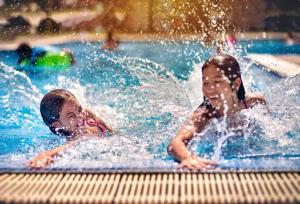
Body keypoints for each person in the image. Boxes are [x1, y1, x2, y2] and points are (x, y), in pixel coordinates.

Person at [167, 54, 266, 171]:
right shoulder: (204, 114)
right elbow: (175, 143)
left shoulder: (255, 102)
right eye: (205, 83)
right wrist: (188, 157)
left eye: (217, 82)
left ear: (236, 84)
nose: (209, 89)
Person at [28, 89, 113, 169]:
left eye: (79, 109)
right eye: (71, 116)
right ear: (57, 125)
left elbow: (75, 144)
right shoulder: (69, 128)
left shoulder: (85, 128)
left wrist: (47, 154)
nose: (80, 117)